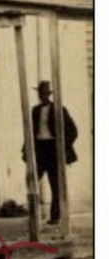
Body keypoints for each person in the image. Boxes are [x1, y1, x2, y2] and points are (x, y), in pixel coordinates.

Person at [28, 80, 79, 225]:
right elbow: (30, 131)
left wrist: (63, 146)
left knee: (55, 184)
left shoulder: (59, 109)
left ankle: (55, 217)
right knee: (32, 181)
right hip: (39, 149)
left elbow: (73, 131)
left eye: (44, 93)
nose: (42, 96)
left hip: (53, 148)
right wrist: (27, 150)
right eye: (40, 93)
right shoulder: (35, 110)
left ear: (48, 94)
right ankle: (33, 218)